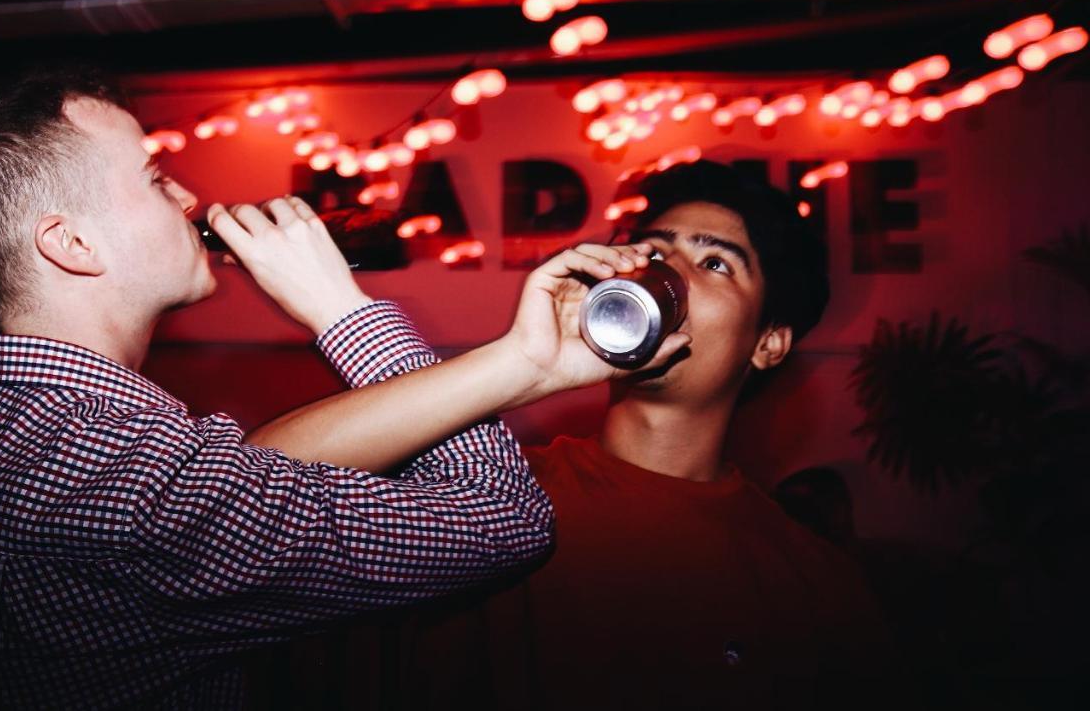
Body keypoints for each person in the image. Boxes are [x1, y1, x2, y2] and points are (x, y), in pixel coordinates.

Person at [0, 69, 689, 709]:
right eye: (153, 176)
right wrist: (338, 306)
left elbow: (252, 473)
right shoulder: (109, 476)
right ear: (70, 243)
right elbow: (502, 521)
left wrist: (524, 365)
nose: (190, 195)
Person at [254, 160, 896, 710]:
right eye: (654, 250)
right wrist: (523, 364)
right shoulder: (493, 494)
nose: (665, 270)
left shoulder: (814, 584)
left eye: (715, 262)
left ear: (769, 342)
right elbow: (239, 501)